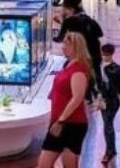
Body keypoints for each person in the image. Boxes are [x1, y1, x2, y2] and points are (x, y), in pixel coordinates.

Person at [37, 32, 93, 168]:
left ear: (76, 47)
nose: (63, 47)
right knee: (44, 163)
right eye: (63, 43)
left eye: (67, 44)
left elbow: (77, 97)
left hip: (72, 124)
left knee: (68, 164)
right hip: (59, 122)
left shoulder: (78, 69)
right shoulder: (68, 65)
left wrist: (61, 120)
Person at [53, 0, 104, 87]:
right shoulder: (89, 20)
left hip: (79, 57)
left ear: (71, 9)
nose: (64, 12)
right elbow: (99, 34)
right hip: (94, 55)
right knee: (95, 80)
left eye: (65, 10)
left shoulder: (69, 22)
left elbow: (60, 38)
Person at [98, 43, 120, 166]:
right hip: (102, 98)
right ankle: (111, 150)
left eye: (107, 54)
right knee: (107, 124)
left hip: (112, 100)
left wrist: (118, 96)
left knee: (108, 124)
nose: (105, 56)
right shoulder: (98, 66)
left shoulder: (116, 69)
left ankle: (110, 151)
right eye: (103, 54)